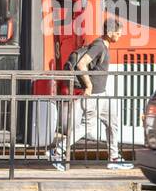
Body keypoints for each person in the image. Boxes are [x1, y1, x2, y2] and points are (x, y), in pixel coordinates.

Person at [48, 21, 131, 171]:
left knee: (113, 123)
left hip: (103, 94)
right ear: (110, 32)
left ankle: (114, 157)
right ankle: (57, 151)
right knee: (87, 126)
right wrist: (89, 85)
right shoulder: (99, 45)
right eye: (118, 33)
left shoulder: (103, 46)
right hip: (95, 95)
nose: (120, 36)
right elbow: (81, 64)